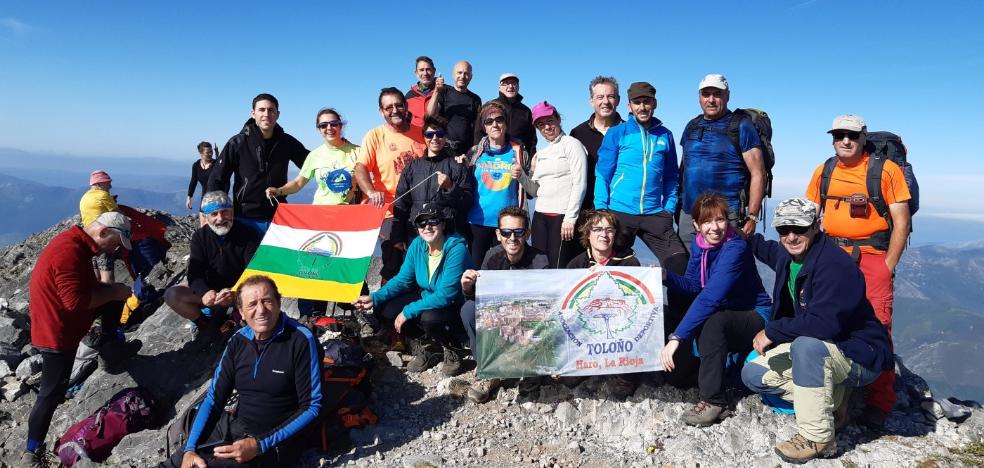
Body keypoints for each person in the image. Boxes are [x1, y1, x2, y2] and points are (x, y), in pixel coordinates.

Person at [741, 198, 893, 463]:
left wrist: (773, 331)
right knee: (753, 373)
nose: (791, 236)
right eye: (783, 229)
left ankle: (817, 438)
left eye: (799, 228)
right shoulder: (789, 256)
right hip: (825, 351)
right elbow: (764, 249)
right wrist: (740, 234)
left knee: (806, 345)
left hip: (857, 353)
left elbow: (824, 325)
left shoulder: (834, 266)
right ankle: (834, 403)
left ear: (816, 226)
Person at [805, 114, 911, 428]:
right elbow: (810, 214)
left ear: (863, 137)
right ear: (833, 138)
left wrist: (888, 264)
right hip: (831, 256)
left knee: (878, 325)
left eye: (851, 135)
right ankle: (836, 393)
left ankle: (880, 400)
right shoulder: (824, 171)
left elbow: (901, 221)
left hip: (873, 256)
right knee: (828, 319)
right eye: (839, 135)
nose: (845, 141)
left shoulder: (886, 170)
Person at [18, 212, 137, 468]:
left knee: (115, 295)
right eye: (116, 243)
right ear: (103, 232)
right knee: (51, 392)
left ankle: (110, 348)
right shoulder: (69, 252)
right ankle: (31, 452)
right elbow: (74, 302)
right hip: (57, 332)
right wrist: (113, 292)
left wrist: (112, 293)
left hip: (62, 324)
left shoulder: (77, 245)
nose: (115, 250)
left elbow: (83, 291)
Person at [164, 276, 322, 468]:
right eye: (252, 304)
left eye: (267, 301)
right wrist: (190, 448)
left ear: (279, 303)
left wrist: (259, 445)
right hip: (235, 427)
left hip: (275, 443)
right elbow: (214, 399)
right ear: (242, 312)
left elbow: (312, 407)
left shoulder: (301, 340)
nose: (261, 310)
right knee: (177, 463)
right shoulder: (239, 341)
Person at [658, 192, 772, 426]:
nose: (715, 227)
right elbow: (692, 285)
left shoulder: (735, 248)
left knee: (713, 321)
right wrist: (664, 276)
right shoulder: (701, 246)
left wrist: (677, 337)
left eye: (720, 219)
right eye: (707, 221)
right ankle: (723, 375)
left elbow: (709, 297)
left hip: (754, 315)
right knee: (679, 377)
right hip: (725, 314)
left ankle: (714, 401)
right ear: (697, 225)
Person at [353, 201, 472, 376]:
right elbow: (403, 280)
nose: (427, 227)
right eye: (421, 223)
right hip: (429, 297)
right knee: (384, 309)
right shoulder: (418, 245)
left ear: (443, 223)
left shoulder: (457, 249)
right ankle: (429, 347)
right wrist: (375, 297)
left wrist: (408, 311)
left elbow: (447, 294)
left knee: (428, 317)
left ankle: (453, 348)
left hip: (455, 305)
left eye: (433, 221)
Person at [264, 107, 360, 318]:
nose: (329, 128)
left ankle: (355, 314)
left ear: (341, 125)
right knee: (315, 268)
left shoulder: (357, 151)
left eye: (333, 123)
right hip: (319, 219)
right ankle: (313, 316)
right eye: (323, 125)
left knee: (346, 268)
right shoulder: (315, 155)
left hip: (348, 220)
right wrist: (278, 190)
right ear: (318, 129)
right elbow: (299, 182)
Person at [459, 207, 549, 403]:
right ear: (498, 234)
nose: (512, 238)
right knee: (468, 310)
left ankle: (531, 370)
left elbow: (545, 309)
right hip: (501, 318)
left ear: (527, 233)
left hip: (528, 321)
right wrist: (468, 288)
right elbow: (481, 300)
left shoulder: (540, 261)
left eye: (518, 232)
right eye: (506, 232)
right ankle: (489, 369)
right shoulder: (492, 256)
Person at [162, 191, 260, 352]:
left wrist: (235, 292)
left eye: (225, 211)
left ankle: (234, 319)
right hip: (211, 291)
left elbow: (253, 271)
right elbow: (195, 272)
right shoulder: (200, 237)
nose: (220, 218)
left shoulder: (248, 234)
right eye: (214, 214)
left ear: (232, 211)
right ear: (206, 217)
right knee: (172, 295)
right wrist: (205, 292)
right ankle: (206, 327)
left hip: (237, 291)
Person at [678, 74, 766, 248]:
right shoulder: (692, 126)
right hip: (689, 215)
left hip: (725, 216)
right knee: (691, 268)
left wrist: (753, 216)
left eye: (717, 94)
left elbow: (758, 173)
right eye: (706, 94)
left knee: (723, 269)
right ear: (699, 97)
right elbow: (684, 168)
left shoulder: (741, 126)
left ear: (727, 96)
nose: (711, 99)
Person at [207, 93, 308, 235]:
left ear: (277, 114)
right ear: (253, 113)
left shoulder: (286, 142)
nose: (266, 114)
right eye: (262, 110)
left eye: (271, 110)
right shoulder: (238, 143)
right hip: (245, 217)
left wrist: (337, 151)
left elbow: (311, 162)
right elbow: (218, 178)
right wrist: (214, 212)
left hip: (278, 217)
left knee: (275, 258)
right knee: (248, 257)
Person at [354, 87, 427, 282]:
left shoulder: (421, 134)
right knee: (392, 263)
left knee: (420, 261)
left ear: (405, 106)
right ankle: (384, 309)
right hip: (389, 211)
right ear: (381, 111)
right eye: (388, 107)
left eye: (398, 105)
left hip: (418, 209)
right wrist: (370, 191)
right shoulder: (375, 136)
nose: (394, 110)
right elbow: (360, 167)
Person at [515, 101, 588, 268]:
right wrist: (521, 177)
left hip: (561, 217)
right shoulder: (541, 153)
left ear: (558, 119)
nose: (546, 127)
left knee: (558, 266)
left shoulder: (572, 144)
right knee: (540, 265)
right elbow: (535, 191)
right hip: (540, 216)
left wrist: (570, 218)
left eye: (550, 121)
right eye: (541, 124)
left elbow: (580, 183)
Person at [465, 101, 531, 267]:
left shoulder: (519, 151)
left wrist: (523, 175)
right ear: (484, 127)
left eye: (499, 120)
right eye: (489, 121)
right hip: (477, 222)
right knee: (477, 270)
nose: (495, 124)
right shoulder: (474, 152)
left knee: (504, 271)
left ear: (506, 124)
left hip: (508, 225)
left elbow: (532, 189)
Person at [392, 115, 474, 248]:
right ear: (424, 137)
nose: (435, 138)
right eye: (430, 134)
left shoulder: (456, 166)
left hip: (448, 235)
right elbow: (401, 204)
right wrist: (397, 236)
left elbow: (468, 202)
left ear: (445, 137)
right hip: (417, 234)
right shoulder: (412, 168)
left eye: (440, 134)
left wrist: (451, 187)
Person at [570, 75, 624, 211]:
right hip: (586, 209)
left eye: (610, 96)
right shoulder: (578, 133)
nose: (605, 101)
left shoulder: (630, 132)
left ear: (618, 100)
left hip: (622, 210)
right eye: (600, 97)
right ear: (591, 101)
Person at [425, 60, 482, 152]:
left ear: (471, 77)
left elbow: (477, 128)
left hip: (466, 150)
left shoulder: (476, 99)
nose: (462, 76)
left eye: (466, 73)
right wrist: (436, 91)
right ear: (453, 74)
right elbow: (430, 114)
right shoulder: (444, 92)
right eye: (459, 73)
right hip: (445, 148)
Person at [476, 73, 537, 156]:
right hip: (491, 157)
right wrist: (478, 154)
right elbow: (478, 133)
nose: (510, 86)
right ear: (499, 87)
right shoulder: (489, 107)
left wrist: (531, 157)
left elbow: (531, 139)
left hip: (517, 157)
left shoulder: (526, 111)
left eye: (514, 83)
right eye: (506, 83)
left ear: (518, 87)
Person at [79, 169, 119, 283]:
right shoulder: (103, 195)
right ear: (99, 184)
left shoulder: (85, 197)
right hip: (103, 237)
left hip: (87, 238)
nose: (110, 186)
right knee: (107, 275)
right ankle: (110, 299)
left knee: (95, 273)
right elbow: (118, 214)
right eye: (108, 182)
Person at [566, 209, 640, 268]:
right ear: (587, 234)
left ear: (615, 234)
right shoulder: (576, 265)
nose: (604, 235)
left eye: (609, 230)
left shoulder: (629, 264)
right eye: (597, 229)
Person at [187, 142, 216, 227]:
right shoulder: (196, 166)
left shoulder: (217, 165)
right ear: (201, 153)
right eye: (208, 152)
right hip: (204, 198)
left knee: (213, 226)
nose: (210, 154)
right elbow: (193, 181)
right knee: (203, 225)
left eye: (211, 152)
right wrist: (189, 197)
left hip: (216, 198)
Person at [406, 56, 437, 128]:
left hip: (437, 137)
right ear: (416, 73)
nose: (425, 73)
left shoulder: (445, 91)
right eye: (421, 70)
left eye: (428, 69)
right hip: (416, 137)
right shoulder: (409, 96)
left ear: (434, 71)